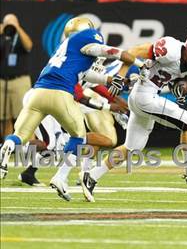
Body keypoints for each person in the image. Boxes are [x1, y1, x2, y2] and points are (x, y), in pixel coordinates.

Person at [0, 16, 144, 202]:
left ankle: (7, 148)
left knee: (19, 134)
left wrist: (110, 81)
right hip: (59, 94)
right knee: (79, 136)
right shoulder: (87, 39)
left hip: (37, 92)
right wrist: (139, 63)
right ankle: (60, 177)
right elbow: (113, 52)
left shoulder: (65, 50)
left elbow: (88, 76)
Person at [80, 30, 187, 203]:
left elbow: (175, 77)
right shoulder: (171, 49)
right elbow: (134, 51)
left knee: (132, 147)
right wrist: (120, 75)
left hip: (146, 97)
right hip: (144, 96)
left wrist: (179, 86)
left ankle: (91, 177)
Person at [0, 14, 33, 141]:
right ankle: (7, 146)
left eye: (13, 22)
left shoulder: (21, 34)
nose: (10, 25)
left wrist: (17, 28)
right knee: (4, 119)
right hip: (2, 81)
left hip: (20, 81)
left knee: (24, 117)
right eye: (7, 22)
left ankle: (29, 146)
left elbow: (29, 46)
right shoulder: (2, 35)